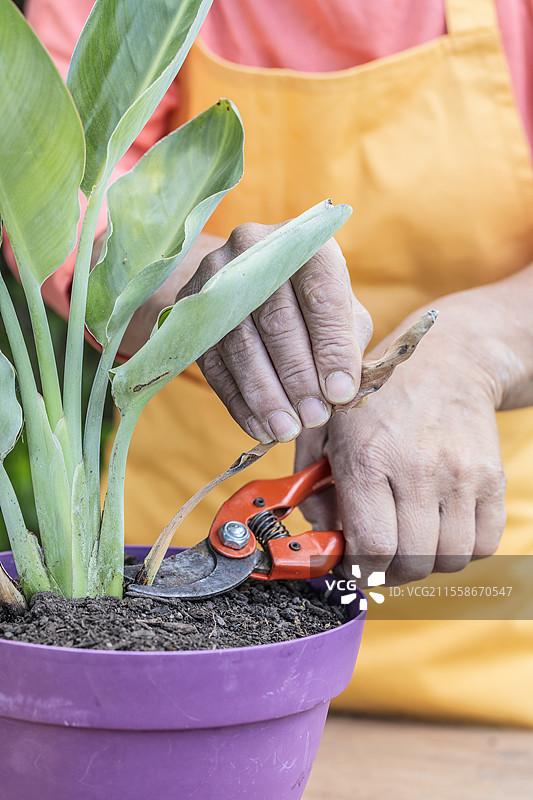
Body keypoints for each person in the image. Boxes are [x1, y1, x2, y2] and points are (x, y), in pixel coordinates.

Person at [12, 0, 533, 727]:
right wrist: (190, 283)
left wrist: (474, 349)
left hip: (486, 617)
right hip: (179, 632)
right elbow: (55, 201)